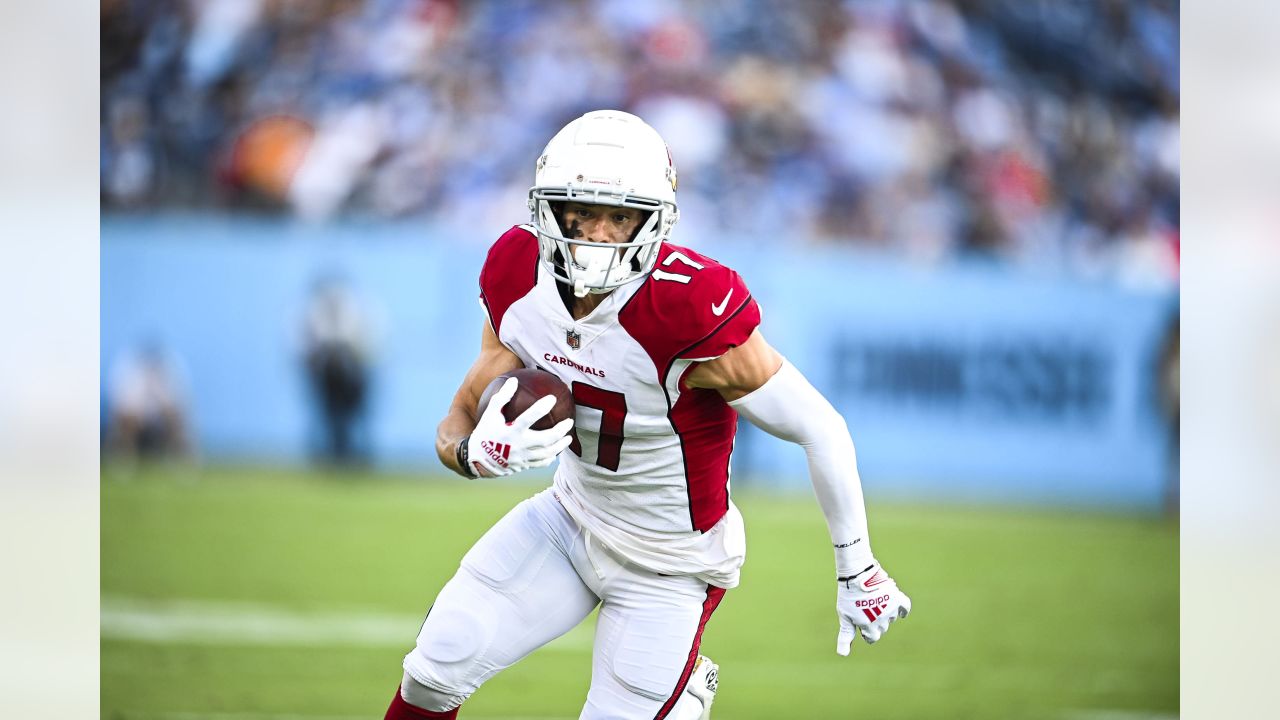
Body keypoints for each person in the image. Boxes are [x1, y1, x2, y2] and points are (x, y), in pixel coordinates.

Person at [385, 110, 912, 720]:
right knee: (436, 666)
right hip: (568, 518)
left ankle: (682, 698)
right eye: (582, 211)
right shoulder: (516, 270)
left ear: (654, 220)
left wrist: (858, 566)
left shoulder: (686, 305)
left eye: (621, 216)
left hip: (670, 565)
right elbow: (458, 416)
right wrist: (470, 456)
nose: (599, 234)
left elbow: (821, 428)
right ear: (550, 210)